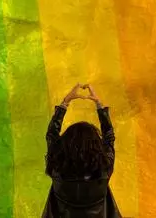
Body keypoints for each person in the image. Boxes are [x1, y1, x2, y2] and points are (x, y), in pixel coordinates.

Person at [42, 83, 122, 218]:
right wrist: (99, 105)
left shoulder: (57, 167)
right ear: (96, 146)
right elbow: (109, 136)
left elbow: (51, 135)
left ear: (64, 145)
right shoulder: (104, 169)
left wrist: (65, 102)